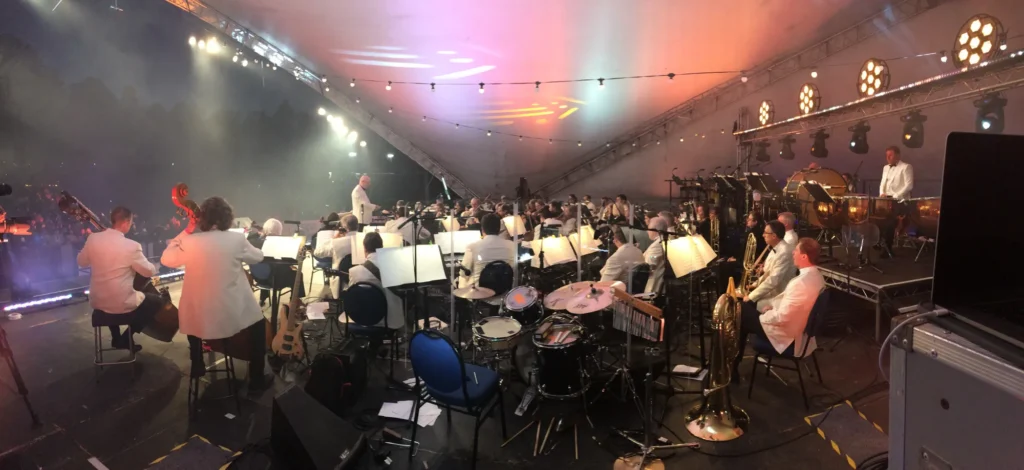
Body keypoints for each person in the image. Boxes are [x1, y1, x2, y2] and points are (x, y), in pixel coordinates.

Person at [160, 197, 271, 389]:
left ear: (201, 218)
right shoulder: (236, 239)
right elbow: (258, 257)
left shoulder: (190, 241)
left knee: (194, 310)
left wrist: (187, 229)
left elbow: (165, 259)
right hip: (227, 318)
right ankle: (257, 380)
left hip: (196, 320)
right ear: (226, 218)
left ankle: (197, 363)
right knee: (259, 325)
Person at [733, 238, 825, 380]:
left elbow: (782, 317)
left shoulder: (801, 282)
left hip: (788, 335)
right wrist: (772, 307)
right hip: (797, 329)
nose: (793, 252)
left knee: (739, 311)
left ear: (804, 256)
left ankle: (731, 365)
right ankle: (733, 365)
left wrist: (768, 312)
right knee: (743, 312)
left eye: (796, 250)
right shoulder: (817, 276)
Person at [77, 206, 161, 351]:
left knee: (111, 293)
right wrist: (155, 265)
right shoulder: (132, 246)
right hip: (119, 303)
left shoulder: (93, 239)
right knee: (156, 302)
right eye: (131, 222)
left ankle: (116, 337)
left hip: (98, 300)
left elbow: (81, 261)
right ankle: (125, 338)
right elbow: (148, 272)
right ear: (126, 222)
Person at [346, 232, 404, 330]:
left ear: (364, 248)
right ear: (382, 247)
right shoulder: (397, 266)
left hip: (362, 319)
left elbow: (352, 298)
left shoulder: (354, 271)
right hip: (391, 322)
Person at [743, 221, 796, 307]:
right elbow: (767, 273)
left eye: (765, 232)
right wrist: (753, 285)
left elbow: (773, 280)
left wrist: (751, 296)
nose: (763, 235)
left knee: (743, 306)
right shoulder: (775, 247)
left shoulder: (785, 251)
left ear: (774, 236)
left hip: (778, 294)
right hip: (769, 290)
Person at [459, 214, 517, 288]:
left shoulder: (472, 247)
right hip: (505, 291)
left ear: (482, 229)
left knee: (462, 279)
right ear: (499, 229)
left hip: (480, 294)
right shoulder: (512, 245)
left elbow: (463, 274)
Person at [879, 145, 914, 255]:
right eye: (887, 155)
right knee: (875, 216)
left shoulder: (906, 167)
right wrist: (881, 195)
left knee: (889, 220)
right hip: (886, 201)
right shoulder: (885, 168)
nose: (888, 157)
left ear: (898, 155)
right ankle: (878, 242)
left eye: (890, 155)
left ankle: (887, 247)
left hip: (900, 201)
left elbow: (909, 185)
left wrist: (895, 196)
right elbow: (882, 183)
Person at [315, 215, 358, 299]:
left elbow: (318, 252)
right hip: (362, 281)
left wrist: (334, 238)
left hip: (341, 285)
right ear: (357, 226)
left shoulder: (336, 243)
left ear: (343, 228)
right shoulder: (365, 239)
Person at [643, 216, 669, 294]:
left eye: (649, 228)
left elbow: (649, 264)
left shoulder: (657, 245)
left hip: (653, 286)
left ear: (655, 230)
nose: (647, 231)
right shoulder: (661, 241)